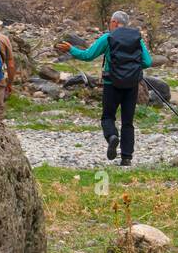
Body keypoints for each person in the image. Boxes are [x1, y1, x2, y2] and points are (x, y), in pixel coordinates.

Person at [56, 10, 152, 167]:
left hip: (111, 83)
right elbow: (147, 62)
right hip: (131, 86)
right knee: (128, 122)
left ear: (114, 22)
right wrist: (132, 67)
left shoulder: (108, 38)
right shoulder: (137, 38)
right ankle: (126, 157)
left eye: (110, 22)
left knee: (108, 117)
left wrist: (71, 49)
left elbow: (88, 56)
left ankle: (112, 136)